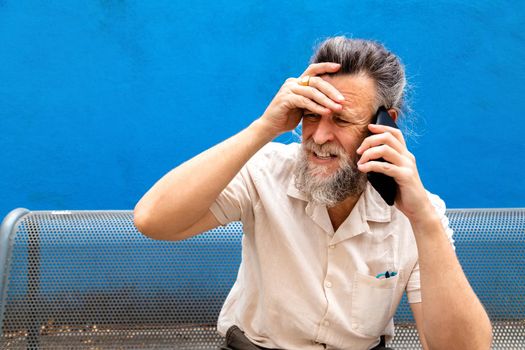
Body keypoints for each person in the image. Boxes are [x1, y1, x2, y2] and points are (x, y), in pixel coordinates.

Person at [134, 36, 492, 350]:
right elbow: (153, 220)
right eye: (310, 115)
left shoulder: (416, 212)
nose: (319, 138)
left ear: (385, 126)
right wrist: (265, 127)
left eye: (340, 120)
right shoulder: (266, 172)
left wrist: (424, 222)